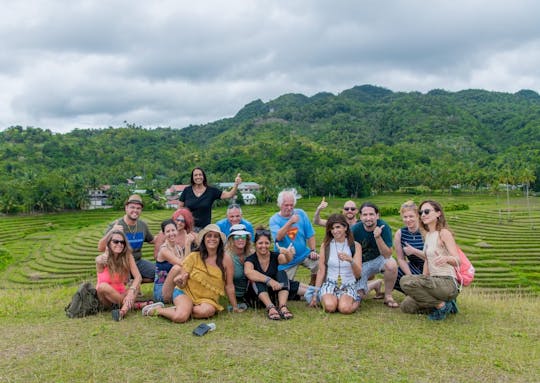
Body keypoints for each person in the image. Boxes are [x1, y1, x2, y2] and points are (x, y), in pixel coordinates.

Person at [142, 224, 243, 322]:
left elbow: (229, 285)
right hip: (186, 292)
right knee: (180, 318)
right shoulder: (194, 257)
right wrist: (179, 281)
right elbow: (183, 283)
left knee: (207, 311)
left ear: (219, 240)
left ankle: (183, 309)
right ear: (204, 239)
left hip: (208, 299)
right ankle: (158, 310)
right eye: (209, 236)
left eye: (216, 236)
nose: (212, 238)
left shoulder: (226, 259)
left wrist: (235, 307)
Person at [400, 200, 460, 320]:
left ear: (438, 213)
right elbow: (427, 260)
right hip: (433, 281)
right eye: (421, 212)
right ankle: (447, 304)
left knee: (405, 281)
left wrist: (446, 258)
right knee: (406, 306)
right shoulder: (428, 235)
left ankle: (440, 305)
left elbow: (458, 260)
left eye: (427, 211)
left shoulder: (444, 233)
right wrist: (422, 279)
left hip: (447, 282)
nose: (423, 215)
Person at [244, 227, 308, 320]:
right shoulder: (250, 259)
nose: (263, 246)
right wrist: (269, 280)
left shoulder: (274, 256)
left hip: (274, 293)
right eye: (260, 243)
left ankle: (283, 306)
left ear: (270, 244)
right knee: (257, 279)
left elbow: (287, 260)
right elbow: (248, 272)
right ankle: (270, 308)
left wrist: (287, 253)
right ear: (255, 244)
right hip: (258, 297)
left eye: (266, 243)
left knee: (281, 273)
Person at [310, 214, 362, 314]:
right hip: (330, 283)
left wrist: (351, 260)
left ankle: (357, 299)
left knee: (345, 309)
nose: (334, 231)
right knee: (330, 308)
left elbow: (358, 274)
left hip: (348, 284)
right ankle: (330, 298)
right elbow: (321, 270)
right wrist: (315, 293)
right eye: (332, 228)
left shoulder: (355, 246)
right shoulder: (326, 245)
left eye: (338, 227)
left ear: (345, 227)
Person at [351, 202, 399, 308]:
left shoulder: (384, 227)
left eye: (371, 214)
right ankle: (375, 283)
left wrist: (378, 237)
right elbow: (350, 253)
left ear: (377, 215)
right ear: (360, 216)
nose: (368, 218)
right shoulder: (355, 230)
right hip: (362, 263)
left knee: (391, 264)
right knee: (357, 296)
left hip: (379, 259)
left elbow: (387, 255)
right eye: (365, 215)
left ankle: (388, 296)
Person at [98, 194, 155, 282]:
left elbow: (152, 240)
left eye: (138, 208)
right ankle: (128, 282)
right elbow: (100, 247)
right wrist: (112, 231)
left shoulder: (142, 225)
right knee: (122, 282)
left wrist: (166, 234)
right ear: (126, 208)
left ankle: (135, 282)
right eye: (132, 207)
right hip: (120, 263)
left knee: (159, 273)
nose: (135, 210)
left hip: (138, 262)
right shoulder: (116, 225)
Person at [269, 189, 319, 285]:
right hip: (287, 259)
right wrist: (290, 222)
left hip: (304, 253)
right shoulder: (274, 220)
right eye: (286, 205)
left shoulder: (301, 213)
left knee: (320, 263)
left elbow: (310, 234)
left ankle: (314, 282)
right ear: (280, 205)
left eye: (291, 205)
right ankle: (297, 289)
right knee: (284, 286)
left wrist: (313, 251)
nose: (289, 208)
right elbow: (278, 238)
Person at [96, 230, 142, 321]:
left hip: (122, 293)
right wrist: (99, 259)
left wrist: (131, 292)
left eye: (122, 242)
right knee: (103, 286)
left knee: (136, 285)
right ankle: (134, 305)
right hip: (106, 299)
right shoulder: (103, 259)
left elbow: (138, 277)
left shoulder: (127, 256)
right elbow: (98, 260)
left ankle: (122, 312)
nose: (119, 244)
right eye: (116, 241)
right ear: (109, 243)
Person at [178, 167, 242, 231]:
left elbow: (229, 194)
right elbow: (180, 208)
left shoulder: (211, 191)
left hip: (205, 229)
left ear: (203, 177)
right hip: (188, 229)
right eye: (195, 175)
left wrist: (236, 184)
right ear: (192, 178)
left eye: (200, 175)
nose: (198, 177)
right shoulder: (187, 190)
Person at [393, 201, 425, 293]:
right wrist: (410, 276)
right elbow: (401, 259)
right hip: (414, 267)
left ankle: (422, 293)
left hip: (429, 267)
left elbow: (431, 257)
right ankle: (413, 293)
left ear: (417, 216)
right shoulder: (400, 233)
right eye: (405, 217)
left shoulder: (425, 231)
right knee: (393, 273)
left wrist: (414, 251)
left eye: (411, 216)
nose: (408, 220)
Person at [153, 219, 186, 303]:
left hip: (174, 287)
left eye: (173, 230)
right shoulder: (164, 250)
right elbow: (182, 264)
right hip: (161, 293)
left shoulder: (178, 248)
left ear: (177, 231)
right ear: (164, 234)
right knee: (177, 268)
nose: (171, 233)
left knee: (182, 269)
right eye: (168, 231)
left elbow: (185, 265)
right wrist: (188, 243)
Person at [224, 224, 255, 308]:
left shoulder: (252, 253)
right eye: (237, 237)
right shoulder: (227, 256)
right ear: (232, 240)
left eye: (243, 237)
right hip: (233, 295)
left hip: (250, 293)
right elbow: (227, 284)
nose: (240, 240)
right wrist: (234, 306)